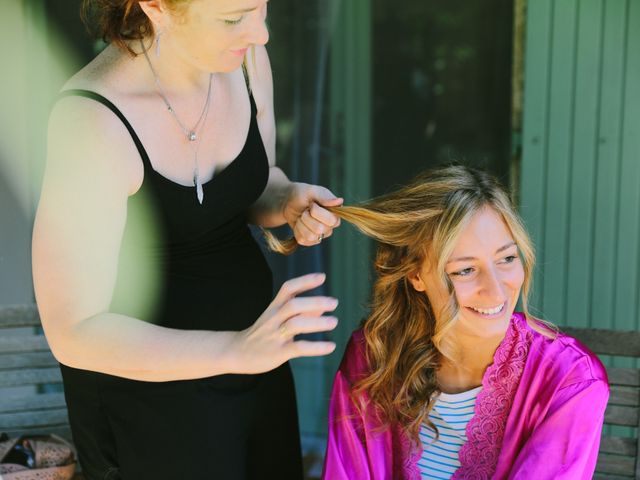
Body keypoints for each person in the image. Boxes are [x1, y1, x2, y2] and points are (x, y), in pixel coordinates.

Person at [31, 1, 343, 479]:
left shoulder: (244, 58)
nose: (260, 33)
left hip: (257, 368)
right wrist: (235, 351)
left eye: (261, 8)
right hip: (151, 402)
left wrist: (285, 199)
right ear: (157, 7)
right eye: (233, 17)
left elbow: (252, 185)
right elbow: (73, 332)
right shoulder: (92, 121)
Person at [318, 165, 609, 479]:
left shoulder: (571, 381)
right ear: (416, 274)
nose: (496, 290)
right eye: (465, 270)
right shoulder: (373, 356)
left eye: (507, 259)